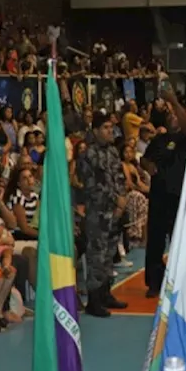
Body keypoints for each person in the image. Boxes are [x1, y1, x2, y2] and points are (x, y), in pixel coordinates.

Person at [139, 80, 186, 298]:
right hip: (159, 196)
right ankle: (154, 283)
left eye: (175, 116)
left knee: (179, 241)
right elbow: (144, 159)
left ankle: (181, 280)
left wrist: (172, 100)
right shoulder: (159, 139)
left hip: (178, 196)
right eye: (169, 116)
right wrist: (147, 165)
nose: (173, 118)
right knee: (155, 241)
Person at [77, 111, 126, 317]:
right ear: (95, 131)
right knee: (96, 255)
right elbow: (92, 185)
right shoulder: (88, 155)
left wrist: (122, 199)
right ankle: (94, 300)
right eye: (105, 128)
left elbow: (119, 177)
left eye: (110, 127)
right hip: (98, 210)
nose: (109, 131)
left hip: (114, 211)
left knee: (109, 254)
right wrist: (115, 199)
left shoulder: (113, 152)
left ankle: (106, 293)